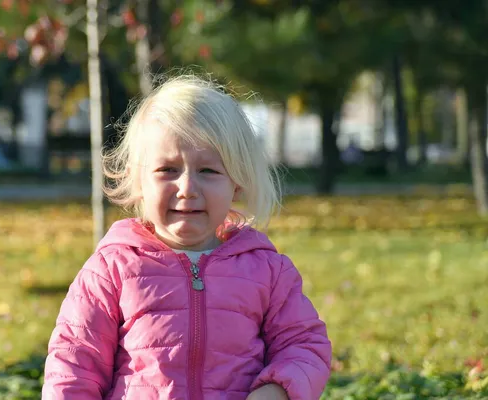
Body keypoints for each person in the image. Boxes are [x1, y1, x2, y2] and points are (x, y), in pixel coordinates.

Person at [42, 75, 332, 400]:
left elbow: (305, 347)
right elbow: (73, 368)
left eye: (208, 171)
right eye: (167, 170)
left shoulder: (266, 271)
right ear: (138, 179)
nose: (187, 189)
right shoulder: (111, 270)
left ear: (236, 183)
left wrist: (277, 390)